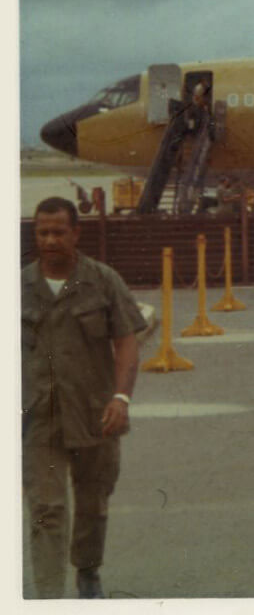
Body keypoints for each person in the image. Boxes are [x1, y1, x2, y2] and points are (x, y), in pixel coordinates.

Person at [22, 197, 148, 599]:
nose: (50, 240)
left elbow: (127, 342)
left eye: (59, 231)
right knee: (47, 510)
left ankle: (88, 570)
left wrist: (121, 398)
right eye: (43, 232)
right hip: (38, 419)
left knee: (93, 504)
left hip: (97, 415)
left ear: (76, 233)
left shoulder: (103, 281)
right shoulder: (18, 287)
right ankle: (47, 597)